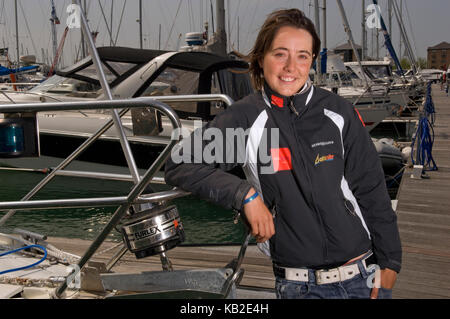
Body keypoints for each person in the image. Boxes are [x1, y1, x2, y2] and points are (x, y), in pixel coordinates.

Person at [164, 8, 402, 299]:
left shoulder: (337, 113)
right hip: (300, 287)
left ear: (312, 60)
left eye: (302, 55)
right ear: (262, 57)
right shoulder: (246, 119)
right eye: (280, 54)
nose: (291, 66)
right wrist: (245, 196)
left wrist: (390, 262)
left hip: (363, 277)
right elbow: (180, 163)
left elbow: (371, 189)